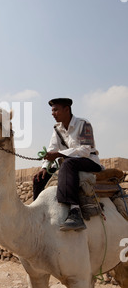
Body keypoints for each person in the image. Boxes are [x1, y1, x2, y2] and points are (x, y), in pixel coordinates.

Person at [33, 98, 102, 231]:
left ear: (66, 109)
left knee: (68, 164)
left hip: (89, 161)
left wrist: (59, 154)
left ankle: (75, 212)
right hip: (69, 163)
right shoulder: (57, 129)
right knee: (38, 178)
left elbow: (85, 150)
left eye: (56, 110)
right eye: (52, 111)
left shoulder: (83, 124)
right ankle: (38, 215)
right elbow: (51, 148)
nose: (53, 113)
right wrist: (44, 166)